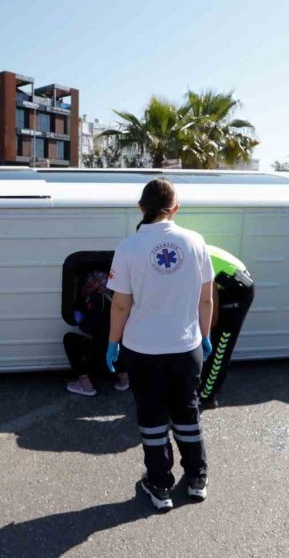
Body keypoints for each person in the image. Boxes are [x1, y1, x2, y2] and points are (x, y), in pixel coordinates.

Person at [106, 178, 214, 510]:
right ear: (175, 209)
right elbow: (206, 299)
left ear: (141, 207)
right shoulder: (195, 242)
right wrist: (206, 335)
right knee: (187, 412)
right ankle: (197, 479)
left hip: (143, 350)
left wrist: (113, 343)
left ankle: (160, 485)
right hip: (186, 348)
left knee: (152, 417)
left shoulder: (128, 248)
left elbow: (121, 304)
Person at [197, 245, 255, 410]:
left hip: (235, 288)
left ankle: (207, 396)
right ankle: (202, 382)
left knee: (220, 345)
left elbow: (210, 299)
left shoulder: (190, 258)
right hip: (221, 282)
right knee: (209, 338)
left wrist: (207, 327)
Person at [64, 271, 129, 396]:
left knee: (69, 339)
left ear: (97, 283)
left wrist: (81, 319)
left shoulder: (96, 298)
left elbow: (88, 327)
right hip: (120, 355)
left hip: (104, 356)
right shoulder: (115, 297)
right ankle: (124, 377)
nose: (89, 283)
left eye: (92, 280)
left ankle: (85, 385)